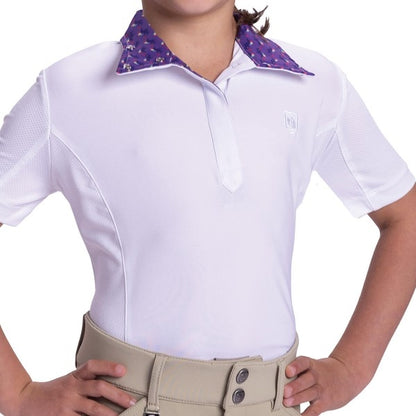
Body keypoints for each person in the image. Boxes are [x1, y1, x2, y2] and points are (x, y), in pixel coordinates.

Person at [0, 1, 415, 416]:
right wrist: (16, 394)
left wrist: (353, 366)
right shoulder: (70, 90)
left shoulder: (311, 83)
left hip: (272, 403)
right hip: (127, 402)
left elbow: (404, 216)